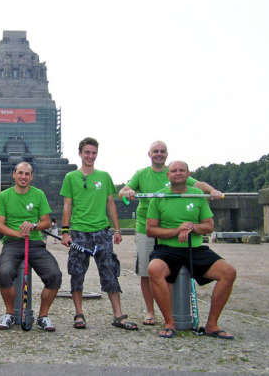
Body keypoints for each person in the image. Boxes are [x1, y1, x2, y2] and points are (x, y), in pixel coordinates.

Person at [118, 141, 222, 326]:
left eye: (162, 151)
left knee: (170, 269)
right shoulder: (142, 174)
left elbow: (198, 184)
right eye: (155, 151)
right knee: (146, 271)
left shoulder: (175, 171)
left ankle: (173, 310)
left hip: (172, 227)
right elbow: (123, 191)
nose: (159, 154)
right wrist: (129, 191)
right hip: (146, 227)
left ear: (166, 155)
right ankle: (150, 311)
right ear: (149, 154)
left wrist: (212, 190)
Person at [146, 161, 236, 339]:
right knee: (153, 269)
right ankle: (170, 323)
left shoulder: (197, 195)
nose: (177, 173)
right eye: (174, 171)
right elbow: (151, 230)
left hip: (194, 249)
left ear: (188, 175)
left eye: (181, 171)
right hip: (167, 249)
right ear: (168, 175)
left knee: (229, 272)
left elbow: (209, 226)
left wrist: (192, 228)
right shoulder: (158, 196)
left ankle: (211, 325)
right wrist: (176, 231)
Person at [60, 137, 137, 331]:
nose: (90, 156)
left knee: (110, 272)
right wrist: (65, 231)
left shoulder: (104, 176)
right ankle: (79, 313)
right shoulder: (71, 178)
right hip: (79, 232)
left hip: (101, 232)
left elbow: (111, 204)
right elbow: (67, 205)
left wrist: (117, 229)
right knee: (77, 273)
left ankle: (118, 315)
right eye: (87, 152)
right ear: (80, 153)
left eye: (93, 153)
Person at [0, 162, 62, 331]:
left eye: (27, 174)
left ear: (31, 177)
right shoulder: (4, 196)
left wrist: (32, 226)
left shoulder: (39, 195)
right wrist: (17, 233)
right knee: (4, 272)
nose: (23, 177)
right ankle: (10, 314)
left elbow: (46, 221)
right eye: (20, 173)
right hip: (12, 243)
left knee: (54, 275)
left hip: (35, 243)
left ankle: (43, 316)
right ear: (14, 175)